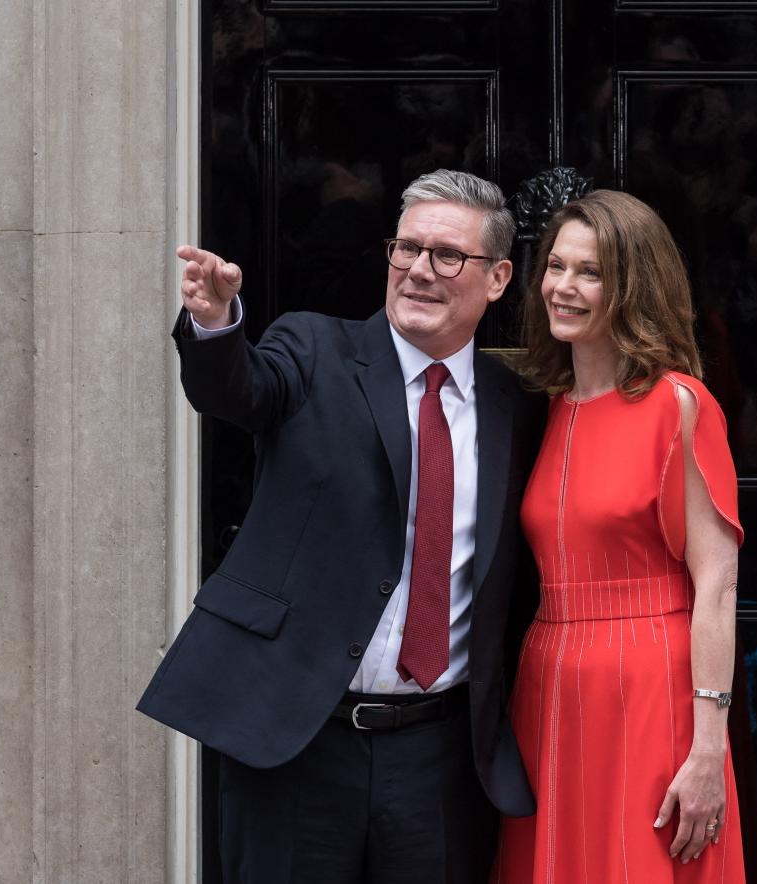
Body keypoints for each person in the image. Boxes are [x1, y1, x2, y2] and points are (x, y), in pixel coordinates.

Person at [137, 170, 546, 883]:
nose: (419, 270)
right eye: (406, 248)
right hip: (298, 741)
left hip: (441, 758)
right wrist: (214, 324)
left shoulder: (516, 407)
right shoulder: (315, 350)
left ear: (498, 276)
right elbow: (237, 390)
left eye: (446, 255)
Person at [494, 190, 746, 883]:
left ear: (633, 285)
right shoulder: (542, 408)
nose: (563, 287)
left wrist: (706, 752)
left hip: (649, 689)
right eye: (556, 266)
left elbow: (717, 586)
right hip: (549, 686)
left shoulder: (679, 406)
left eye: (590, 272)